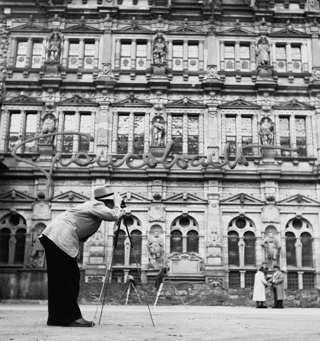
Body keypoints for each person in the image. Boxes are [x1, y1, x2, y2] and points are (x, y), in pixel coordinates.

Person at [39, 186, 125, 327]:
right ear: (108, 201)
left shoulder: (93, 210)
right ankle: (71, 317)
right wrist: (118, 205)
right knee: (70, 279)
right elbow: (113, 215)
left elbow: (83, 235)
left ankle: (56, 317)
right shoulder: (97, 204)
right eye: (113, 202)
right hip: (60, 238)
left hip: (52, 236)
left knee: (59, 280)